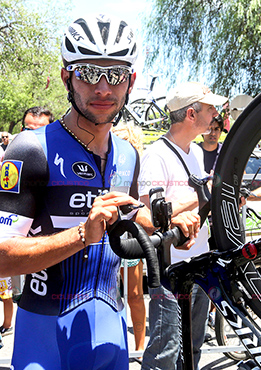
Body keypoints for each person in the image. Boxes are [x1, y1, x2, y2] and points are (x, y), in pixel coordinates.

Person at [0, 14, 199, 370]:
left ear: (131, 81)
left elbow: (126, 215)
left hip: (110, 333)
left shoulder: (127, 155)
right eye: (89, 73)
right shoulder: (31, 150)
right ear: (66, 76)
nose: (103, 88)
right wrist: (81, 234)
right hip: (44, 339)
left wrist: (168, 225)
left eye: (116, 75)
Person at [139, 81, 228, 369]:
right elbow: (145, 213)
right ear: (191, 114)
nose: (215, 113)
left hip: (198, 263)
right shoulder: (157, 154)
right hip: (171, 270)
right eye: (210, 108)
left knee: (193, 347)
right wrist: (195, 200)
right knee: (165, 352)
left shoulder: (197, 152)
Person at [112, 124, 146, 357]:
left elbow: (140, 206)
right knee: (111, 294)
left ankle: (140, 346)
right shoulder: (106, 164)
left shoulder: (139, 170)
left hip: (131, 237)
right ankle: (116, 344)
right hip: (107, 237)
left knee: (134, 294)